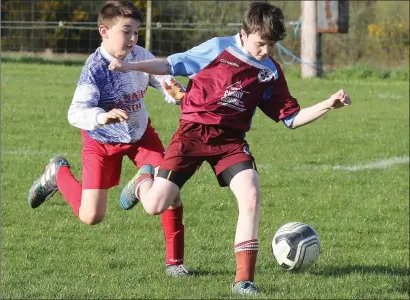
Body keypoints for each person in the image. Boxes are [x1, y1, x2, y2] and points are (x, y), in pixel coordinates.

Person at [109, 0, 352, 295]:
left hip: (230, 143)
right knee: (154, 206)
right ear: (245, 32)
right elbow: (168, 65)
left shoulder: (270, 72)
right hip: (192, 135)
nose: (265, 51)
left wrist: (328, 104)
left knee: (251, 194)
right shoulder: (217, 48)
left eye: (271, 45)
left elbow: (291, 118)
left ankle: (243, 280)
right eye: (261, 43)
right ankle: (145, 178)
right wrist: (127, 65)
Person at [27, 0, 189, 277]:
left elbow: (160, 79)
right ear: (104, 31)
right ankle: (58, 173)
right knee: (91, 216)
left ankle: (175, 264)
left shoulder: (139, 55)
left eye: (136, 32)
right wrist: (102, 117)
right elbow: (76, 113)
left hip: (140, 135)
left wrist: (173, 91)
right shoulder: (94, 70)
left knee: (169, 192)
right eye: (126, 31)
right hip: (100, 142)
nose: (133, 38)